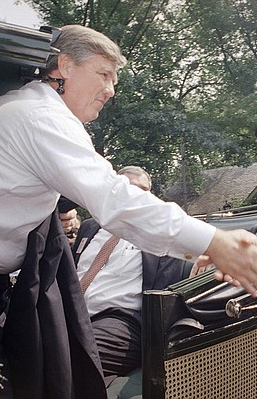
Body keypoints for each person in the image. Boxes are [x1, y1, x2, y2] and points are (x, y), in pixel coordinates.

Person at [0, 25, 257, 369]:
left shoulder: (31, 113)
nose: (111, 90)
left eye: (114, 80)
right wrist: (215, 240)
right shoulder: (41, 116)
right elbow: (116, 199)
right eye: (103, 74)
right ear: (65, 65)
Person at [72, 165, 186, 386]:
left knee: (67, 353)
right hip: (72, 314)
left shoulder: (161, 236)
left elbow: (166, 296)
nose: (134, 193)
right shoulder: (89, 228)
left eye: (142, 189)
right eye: (127, 187)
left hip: (123, 321)